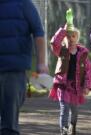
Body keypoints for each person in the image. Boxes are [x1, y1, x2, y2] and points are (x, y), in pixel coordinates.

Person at [0, 0, 48, 135]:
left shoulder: (24, 4)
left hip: (14, 72)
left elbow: (38, 32)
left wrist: (41, 63)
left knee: (9, 124)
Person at [49, 9, 91, 135]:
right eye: (68, 36)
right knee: (64, 109)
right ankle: (64, 131)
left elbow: (89, 71)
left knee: (74, 111)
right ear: (64, 38)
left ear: (77, 38)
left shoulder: (83, 54)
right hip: (63, 86)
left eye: (73, 36)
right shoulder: (61, 51)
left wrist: (87, 86)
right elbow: (53, 42)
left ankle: (72, 127)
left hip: (76, 87)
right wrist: (64, 29)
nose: (70, 38)